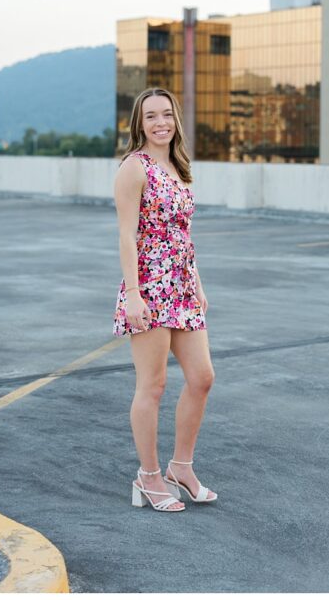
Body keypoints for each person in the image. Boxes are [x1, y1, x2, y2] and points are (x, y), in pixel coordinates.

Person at [111, 87, 217, 512]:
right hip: (150, 287)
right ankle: (148, 476)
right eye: (151, 116)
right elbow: (126, 234)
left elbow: (182, 234)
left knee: (202, 377)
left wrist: (198, 283)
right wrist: (134, 294)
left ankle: (181, 467)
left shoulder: (176, 166)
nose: (160, 123)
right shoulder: (133, 168)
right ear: (139, 123)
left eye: (167, 115)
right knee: (152, 386)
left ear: (176, 120)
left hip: (183, 286)